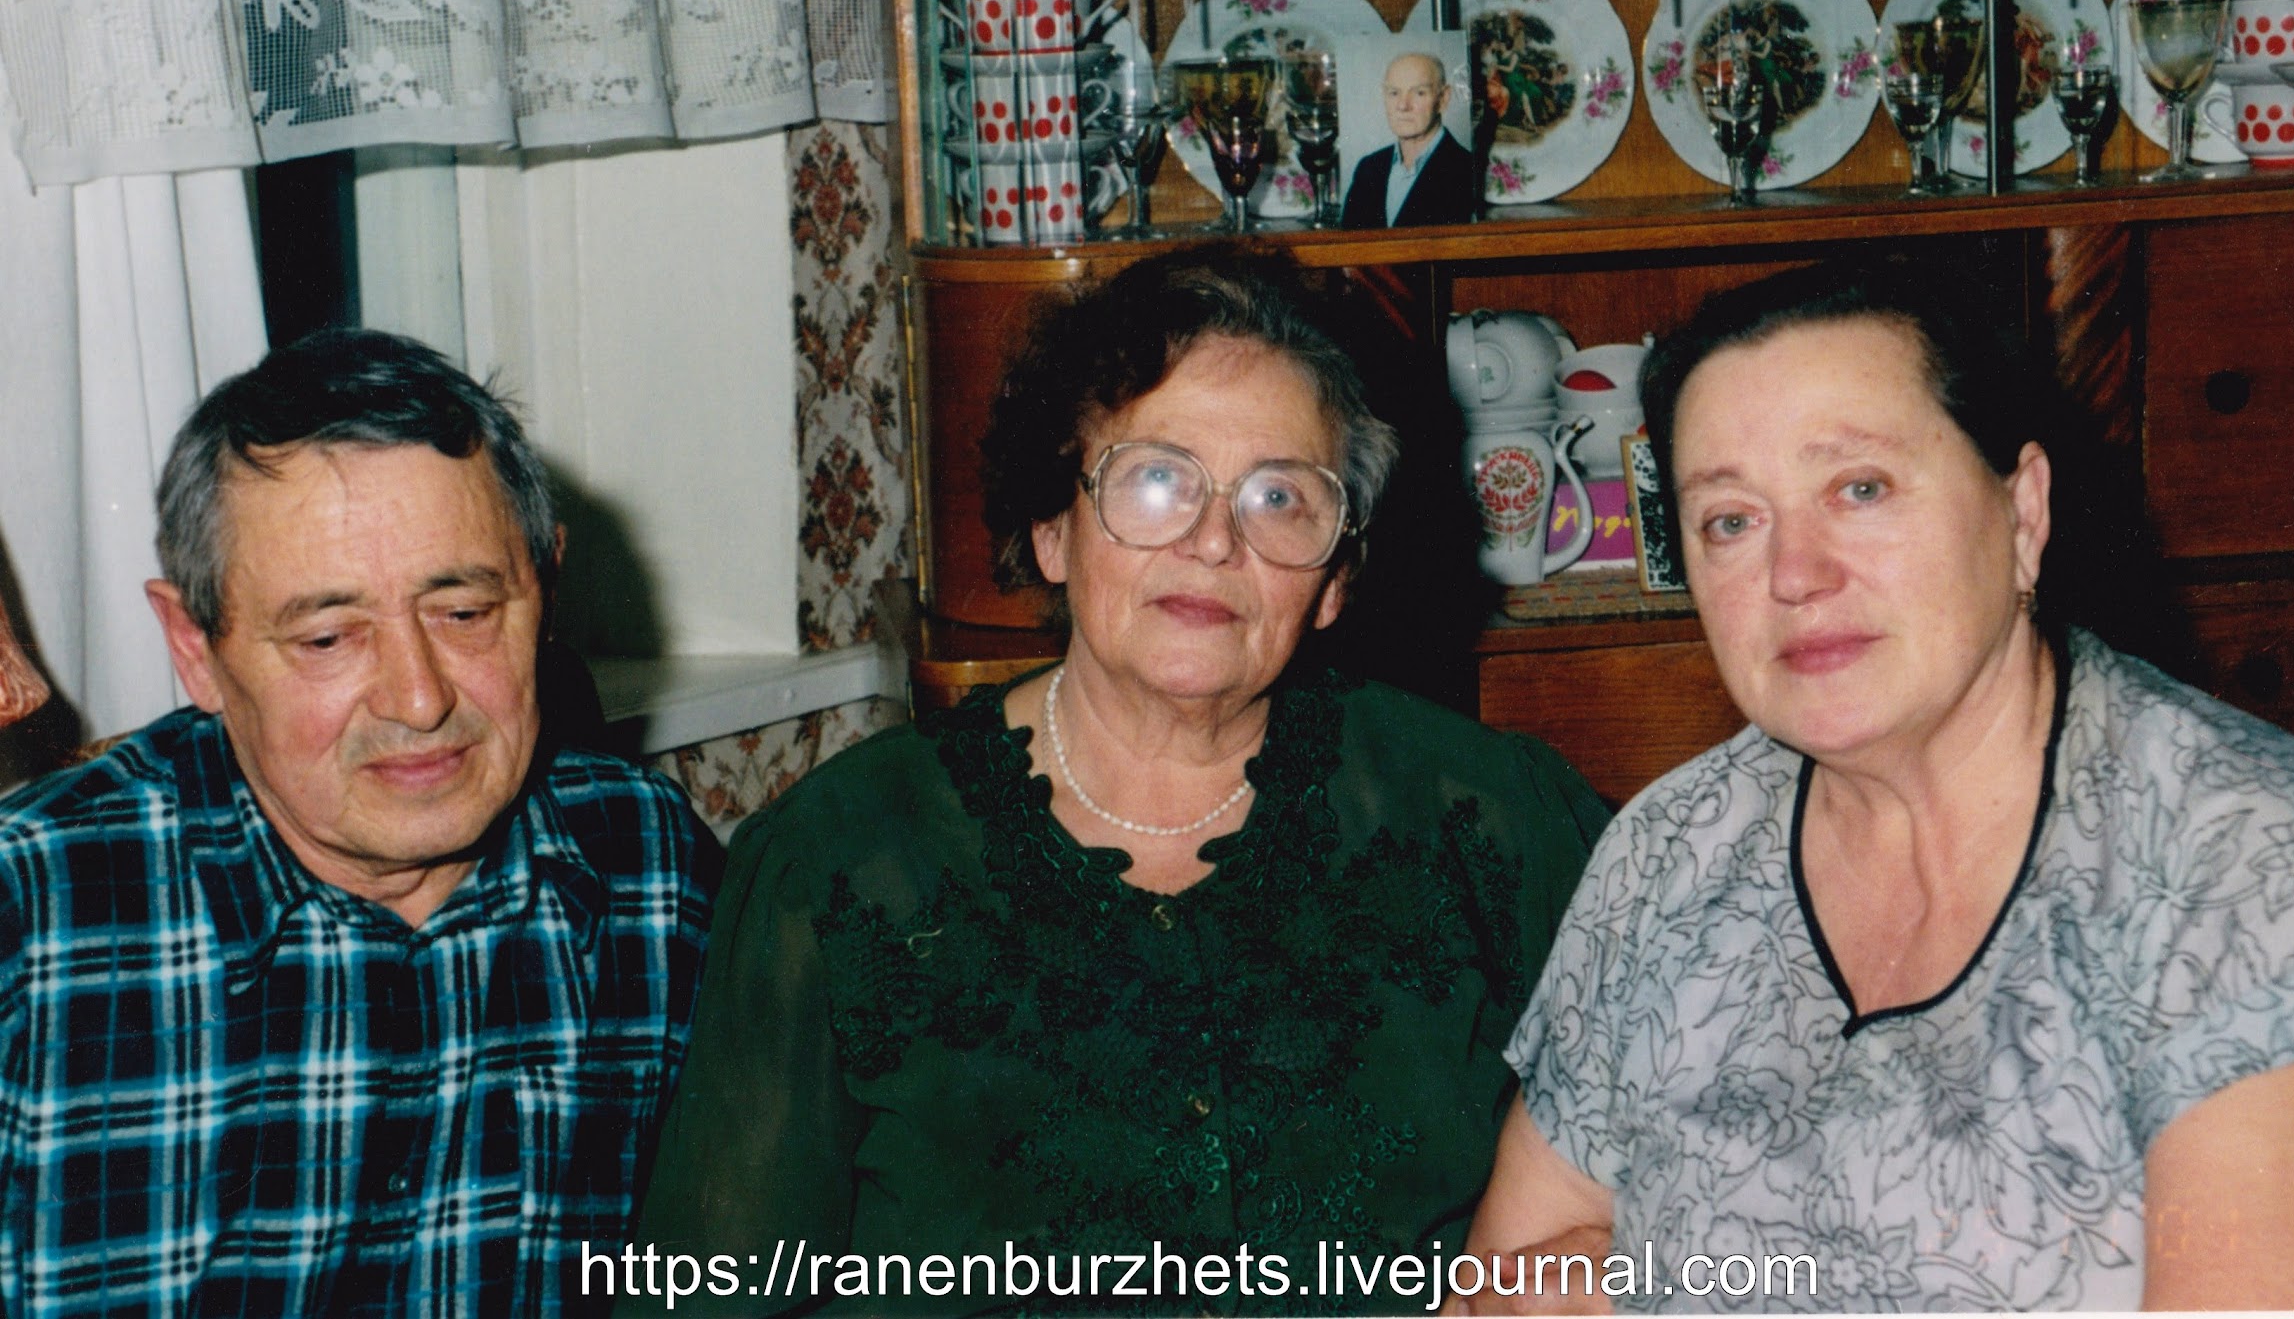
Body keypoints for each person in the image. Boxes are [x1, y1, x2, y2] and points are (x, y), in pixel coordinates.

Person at [632, 252, 1609, 1315]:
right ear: (1052, 528)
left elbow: (1712, 1165)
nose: (1212, 539)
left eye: (1279, 495)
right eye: (1157, 478)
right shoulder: (842, 859)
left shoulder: (1494, 820)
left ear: (1334, 579)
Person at [1467, 254, 2294, 1311]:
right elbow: (1506, 1282)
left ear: (2023, 510)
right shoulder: (1671, 848)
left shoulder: (2243, 865)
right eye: (1731, 519)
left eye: (1858, 489)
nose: (1795, 573)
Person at [0, 329, 717, 1315]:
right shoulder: (29, 918)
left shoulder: (650, 870)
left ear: (544, 590)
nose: (418, 698)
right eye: (329, 637)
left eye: (464, 612)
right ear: (194, 646)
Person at [1342, 50, 1477, 229]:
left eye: (1419, 93)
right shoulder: (1368, 168)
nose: (1403, 105)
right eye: (1394, 93)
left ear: (1443, 99)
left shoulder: (1468, 172)